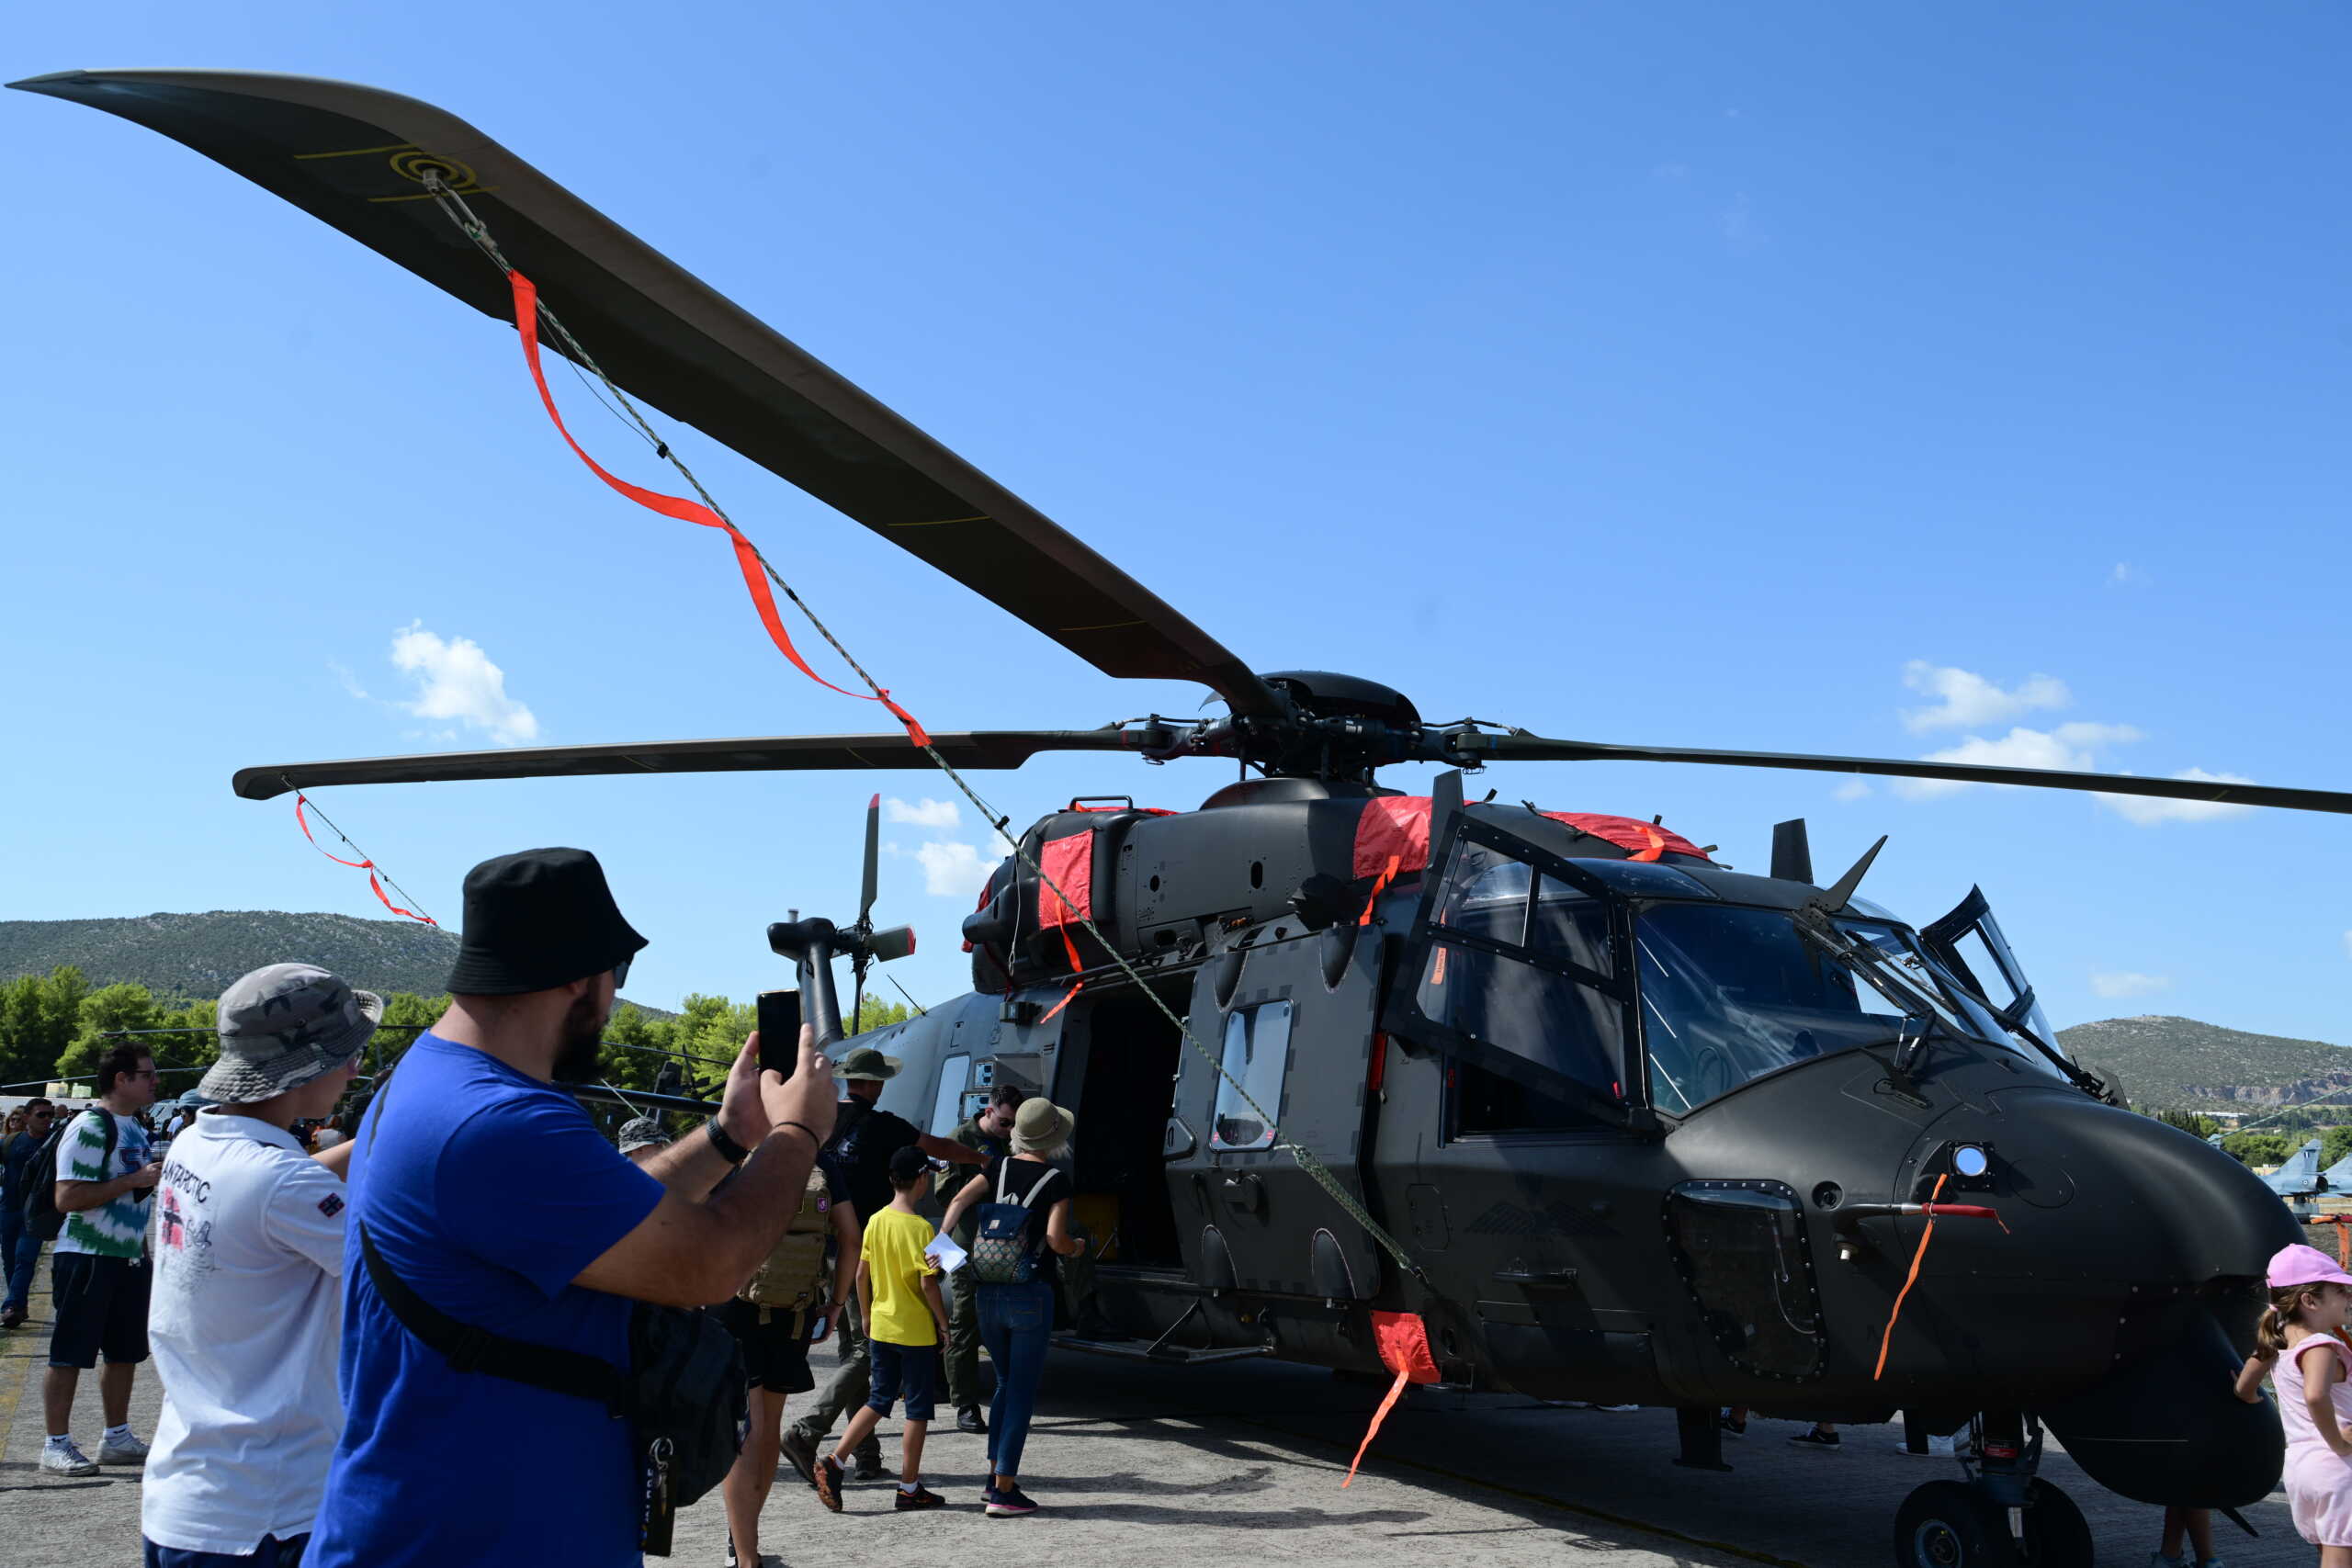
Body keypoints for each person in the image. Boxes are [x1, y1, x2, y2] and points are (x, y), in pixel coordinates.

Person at [308, 846, 840, 1568]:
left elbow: (614, 1213)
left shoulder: (437, 1085)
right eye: (617, 976)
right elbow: (708, 1263)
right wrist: (798, 1131)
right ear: (577, 977)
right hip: (465, 1544)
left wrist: (728, 1136)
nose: (614, 999)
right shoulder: (494, 1122)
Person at [141, 964, 374, 1568]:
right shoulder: (281, 1182)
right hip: (264, 1518)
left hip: (187, 1499)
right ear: (305, 1066)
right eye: (347, 1055)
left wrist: (377, 1133)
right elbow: (411, 1273)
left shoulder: (198, 1142)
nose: (354, 1070)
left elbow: (273, 1195)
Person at [783, 1046, 981, 1482]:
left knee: (851, 1350)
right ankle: (807, 1429)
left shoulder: (823, 1120)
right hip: (860, 1246)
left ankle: (867, 1456)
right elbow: (940, 1146)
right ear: (876, 1084)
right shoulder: (885, 1127)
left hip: (819, 1249)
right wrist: (984, 1159)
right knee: (864, 1351)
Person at [940, 1097, 1084, 1517]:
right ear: (1054, 1137)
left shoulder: (994, 1168)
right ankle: (1004, 1491)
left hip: (988, 1293)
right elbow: (1056, 1239)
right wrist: (1075, 1250)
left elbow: (957, 1203)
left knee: (1004, 1384)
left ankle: (992, 1478)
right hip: (1029, 1295)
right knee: (1021, 1391)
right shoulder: (1056, 1180)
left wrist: (943, 1253)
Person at [718, 1146, 858, 1568]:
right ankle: (747, 1545)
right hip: (795, 1309)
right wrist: (834, 1304)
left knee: (743, 1431)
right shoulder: (821, 1160)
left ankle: (744, 1555)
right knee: (766, 1431)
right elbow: (851, 1236)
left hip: (733, 1303)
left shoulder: (735, 1149)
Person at [41, 1043, 163, 1476]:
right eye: (147, 1074)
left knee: (125, 1352)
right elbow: (67, 1198)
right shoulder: (91, 1125)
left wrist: (142, 1254)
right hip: (87, 1257)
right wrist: (134, 1179)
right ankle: (55, 1443)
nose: (155, 1081)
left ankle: (117, 1436)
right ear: (121, 1079)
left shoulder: (136, 1127)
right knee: (71, 1352)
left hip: (126, 1257)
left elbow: (133, 1201)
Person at [810, 1144, 948, 1514]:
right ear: (922, 1179)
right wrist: (944, 1324)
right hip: (915, 1332)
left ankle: (835, 1460)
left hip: (882, 1327)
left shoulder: (876, 1220)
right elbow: (928, 1284)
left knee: (878, 1400)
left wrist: (868, 1315)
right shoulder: (920, 1228)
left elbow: (860, 1272)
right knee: (918, 1410)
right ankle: (909, 1488)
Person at [2262, 1242, 2352, 1565]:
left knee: (2328, 1549)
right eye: (2340, 1291)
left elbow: (2245, 1386)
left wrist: (2243, 1394)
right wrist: (2338, 1443)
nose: (2349, 1297)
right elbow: (2316, 1395)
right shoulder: (2321, 1346)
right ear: (2309, 1300)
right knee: (2341, 1552)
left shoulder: (2278, 1344)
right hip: (2338, 1469)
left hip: (2301, 1469)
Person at [941, 1085, 1024, 1432]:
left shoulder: (1014, 1141)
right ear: (988, 1112)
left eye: (1014, 1125)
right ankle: (965, 1403)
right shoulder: (959, 1139)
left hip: (1006, 1241)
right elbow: (944, 1193)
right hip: (966, 1242)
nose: (1008, 1130)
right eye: (1004, 1122)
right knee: (965, 1322)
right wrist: (985, 1176)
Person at [2, 1098, 55, 1328]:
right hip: (8, 1208)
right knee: (9, 1259)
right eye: (41, 1115)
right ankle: (19, 1305)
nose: (47, 1119)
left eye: (50, 1115)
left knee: (25, 1256)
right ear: (26, 1118)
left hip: (35, 1212)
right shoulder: (11, 1142)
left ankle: (11, 1305)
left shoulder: (54, 1144)